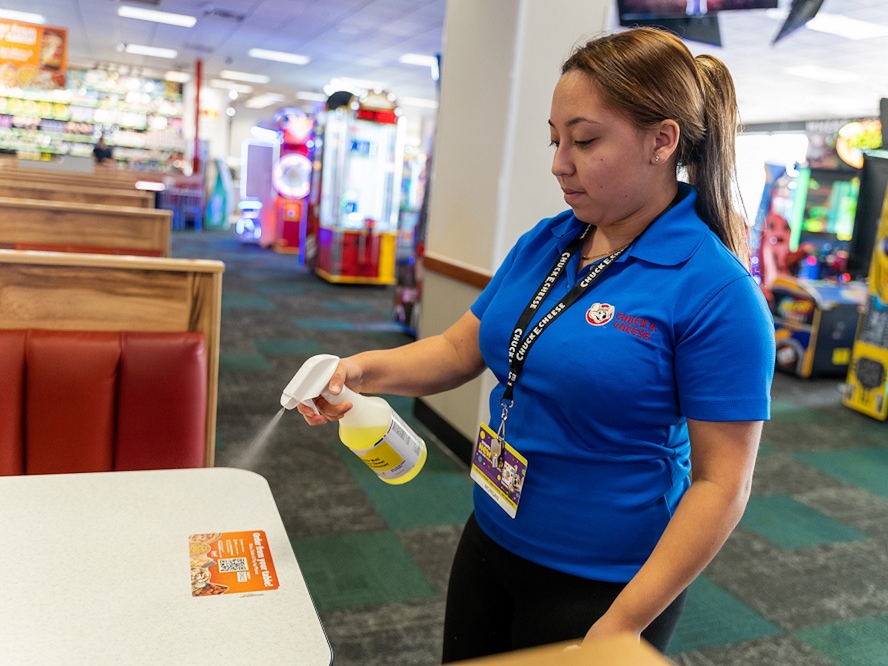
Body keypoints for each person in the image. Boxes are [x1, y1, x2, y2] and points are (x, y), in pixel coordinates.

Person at [296, 27, 775, 662]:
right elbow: (458, 349)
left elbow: (722, 484)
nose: (559, 163)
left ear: (662, 140)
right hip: (493, 531)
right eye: (555, 139)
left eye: (584, 140)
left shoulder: (715, 290)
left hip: (604, 579)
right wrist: (358, 372)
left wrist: (626, 622)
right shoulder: (551, 240)